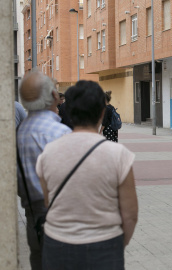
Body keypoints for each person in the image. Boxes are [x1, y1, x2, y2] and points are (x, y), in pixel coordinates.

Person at [36, 81, 138, 269]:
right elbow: (130, 214)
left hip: (57, 245)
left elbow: (48, 202)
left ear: (68, 111)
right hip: (105, 246)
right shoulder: (119, 155)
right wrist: (116, 245)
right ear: (101, 112)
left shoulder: (47, 153)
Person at [17, 70, 72, 270]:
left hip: (33, 216)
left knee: (38, 262)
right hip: (61, 217)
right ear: (53, 97)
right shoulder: (60, 133)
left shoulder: (19, 132)